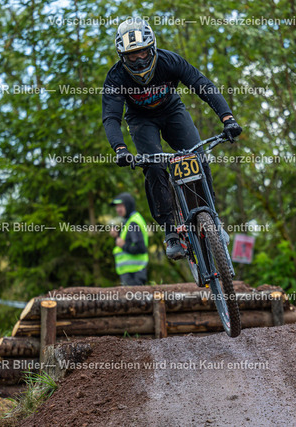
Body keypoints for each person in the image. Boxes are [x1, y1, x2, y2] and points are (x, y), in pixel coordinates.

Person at [102, 17, 242, 260]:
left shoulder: (170, 61)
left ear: (152, 48)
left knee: (197, 157)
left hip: (172, 110)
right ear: (122, 57)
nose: (139, 60)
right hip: (141, 120)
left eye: (143, 53)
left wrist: (227, 118)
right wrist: (120, 148)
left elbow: (202, 85)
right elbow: (111, 117)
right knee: (154, 166)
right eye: (132, 56)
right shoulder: (116, 78)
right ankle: (170, 232)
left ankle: (212, 218)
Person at [109, 192, 149, 286]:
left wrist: (123, 245)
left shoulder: (133, 223)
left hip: (134, 274)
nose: (118, 209)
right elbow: (128, 241)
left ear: (128, 205)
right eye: (117, 206)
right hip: (131, 272)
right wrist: (117, 235)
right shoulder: (129, 220)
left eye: (121, 206)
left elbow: (141, 248)